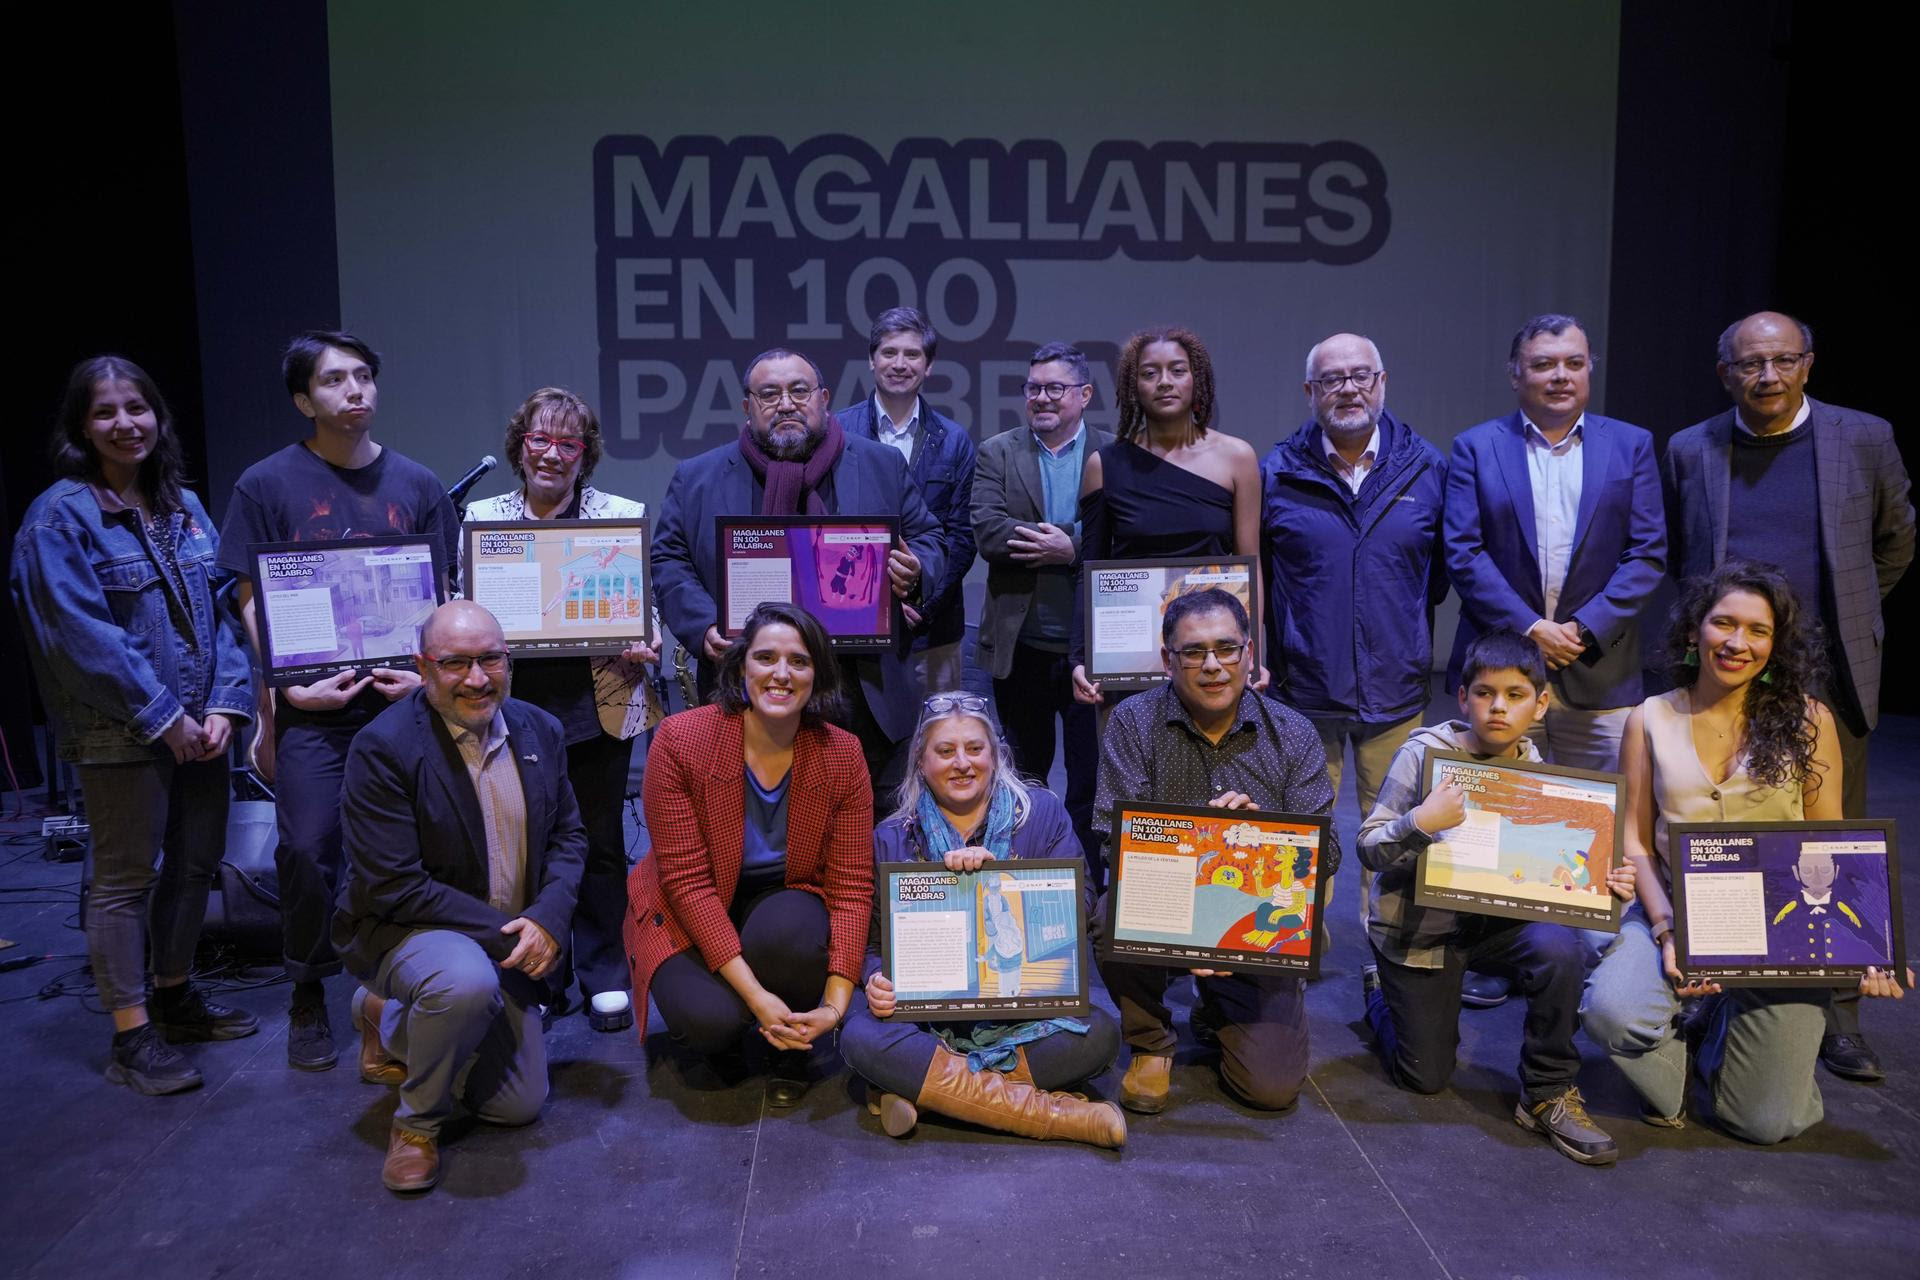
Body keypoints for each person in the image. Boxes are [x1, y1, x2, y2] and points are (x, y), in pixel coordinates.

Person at [1663, 310, 1914, 1081]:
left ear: (1808, 363)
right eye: (1749, 364)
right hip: (1726, 667)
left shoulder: (1862, 437)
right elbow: (1678, 552)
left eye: (1782, 360)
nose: (1766, 376)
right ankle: (1716, 982)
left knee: (1830, 840)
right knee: (1726, 830)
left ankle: (1838, 1013)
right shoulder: (1691, 448)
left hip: (1826, 673)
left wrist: (1843, 616)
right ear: (1725, 374)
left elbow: (1896, 537)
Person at [1579, 562, 1908, 1143]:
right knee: (1613, 1013)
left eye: (1758, 630)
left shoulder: (1809, 720)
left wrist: (1865, 947)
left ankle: (1718, 1025)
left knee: (1764, 1122)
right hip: (1674, 907)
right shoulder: (1649, 718)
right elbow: (1636, 840)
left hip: (1777, 928)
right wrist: (1667, 930)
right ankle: (1682, 1059)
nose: (1738, 642)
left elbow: (1828, 843)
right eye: (1724, 623)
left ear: (1775, 644)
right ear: (1694, 631)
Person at [11, 357, 258, 1094]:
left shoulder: (185, 508)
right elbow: (79, 639)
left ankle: (174, 995)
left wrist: (225, 706)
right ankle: (131, 1034)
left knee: (194, 866)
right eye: (105, 412)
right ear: (81, 428)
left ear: (157, 416)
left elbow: (224, 615)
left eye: (136, 408)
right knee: (124, 881)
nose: (125, 423)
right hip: (121, 733)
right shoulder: (58, 518)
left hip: (203, 730)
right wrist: (165, 717)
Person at [218, 330, 459, 1070]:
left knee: (416, 846)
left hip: (403, 705)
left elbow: (443, 593)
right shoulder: (265, 484)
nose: (354, 390)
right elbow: (250, 596)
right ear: (303, 400)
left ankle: (408, 982)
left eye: (363, 376)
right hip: (312, 706)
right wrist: (283, 687)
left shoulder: (417, 483)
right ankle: (307, 988)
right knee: (306, 849)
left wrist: (428, 678)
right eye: (333, 380)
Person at [1444, 313, 1665, 1007]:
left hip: (1603, 670)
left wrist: (1582, 628)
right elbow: (1463, 552)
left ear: (1588, 368)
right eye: (1543, 364)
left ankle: (1591, 954)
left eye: (1572, 362)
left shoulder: (1631, 445)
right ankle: (1496, 953)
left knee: (1599, 825)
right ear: (1517, 374)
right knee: (1499, 819)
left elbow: (1647, 553)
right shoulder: (1476, 447)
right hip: (1508, 672)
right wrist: (1534, 629)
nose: (1559, 375)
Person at [1357, 629, 1635, 1166]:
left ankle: (1548, 1091)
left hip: (1494, 926)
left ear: (1540, 704)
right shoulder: (1423, 755)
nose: (1499, 707)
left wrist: (1605, 885)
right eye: (1485, 693)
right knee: (1425, 1077)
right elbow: (1369, 848)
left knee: (1559, 946)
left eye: (1515, 695)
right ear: (1463, 698)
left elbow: (1556, 871)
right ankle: (1379, 995)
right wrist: (1420, 822)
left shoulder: (1537, 770)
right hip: (1421, 934)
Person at [334, 600, 585, 1192]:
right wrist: (513, 934)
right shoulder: (383, 747)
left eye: (490, 660)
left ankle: (386, 1017)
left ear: (508, 660)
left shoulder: (540, 730)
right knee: (465, 985)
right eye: (455, 663)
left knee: (517, 1106)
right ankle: (416, 1125)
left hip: (507, 939)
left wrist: (547, 919)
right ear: (423, 667)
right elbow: (395, 884)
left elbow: (569, 837)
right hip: (412, 930)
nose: (477, 678)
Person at [651, 348, 946, 801]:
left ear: (823, 399)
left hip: (866, 693)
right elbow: (670, 558)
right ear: (747, 406)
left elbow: (929, 537)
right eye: (769, 394)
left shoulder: (881, 464)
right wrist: (705, 624)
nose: (786, 404)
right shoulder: (697, 477)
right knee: (752, 826)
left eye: (799, 391)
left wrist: (916, 569)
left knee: (865, 830)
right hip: (747, 687)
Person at [840, 693, 1124, 1147]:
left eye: (975, 748)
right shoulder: (891, 837)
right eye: (945, 751)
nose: (962, 763)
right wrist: (876, 979)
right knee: (858, 1035)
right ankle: (1058, 1115)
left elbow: (1081, 904)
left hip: (1024, 1013)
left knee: (1101, 1035)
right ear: (921, 762)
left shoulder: (1042, 812)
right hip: (927, 1021)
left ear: (996, 754)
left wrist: (1002, 880)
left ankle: (922, 1090)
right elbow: (873, 947)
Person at [463, 387, 662, 1034]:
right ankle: (540, 972)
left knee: (600, 842)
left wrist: (648, 636)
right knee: (525, 843)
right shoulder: (481, 518)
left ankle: (606, 973)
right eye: (539, 440)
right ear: (520, 447)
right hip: (512, 709)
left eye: (567, 443)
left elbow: (644, 605)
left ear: (586, 453)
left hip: (598, 704)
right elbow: (465, 607)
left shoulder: (620, 514)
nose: (552, 454)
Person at [1093, 588, 1335, 1114]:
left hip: (1257, 915)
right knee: (1109, 913)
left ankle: (1221, 1009)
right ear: (1168, 661)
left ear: (1249, 653)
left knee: (1270, 1090)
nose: (1212, 665)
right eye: (1193, 652)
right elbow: (1115, 842)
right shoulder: (1132, 723)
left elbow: (1328, 852)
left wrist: (1265, 837)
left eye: (1226, 649)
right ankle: (1151, 1042)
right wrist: (1200, 847)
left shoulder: (1293, 733)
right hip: (1167, 900)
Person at [624, 603, 875, 1106]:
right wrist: (756, 998)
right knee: (711, 1024)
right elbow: (687, 883)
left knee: (793, 935)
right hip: (688, 905)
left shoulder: (842, 753)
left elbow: (851, 887)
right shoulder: (680, 740)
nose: (781, 673)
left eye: (799, 661)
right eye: (765, 658)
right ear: (741, 667)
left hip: (782, 900)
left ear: (817, 675)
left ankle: (790, 1044)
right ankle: (746, 1019)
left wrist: (833, 1009)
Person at [1260, 332, 1448, 942]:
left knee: (1394, 832)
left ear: (1382, 382)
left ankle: (1383, 955)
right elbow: (1262, 579)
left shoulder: (1427, 467)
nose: (1348, 388)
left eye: (1361, 375)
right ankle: (1295, 950)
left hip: (1396, 687)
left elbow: (1438, 578)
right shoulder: (1276, 472)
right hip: (1305, 692)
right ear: (1310, 391)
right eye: (1332, 379)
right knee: (1300, 834)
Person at [972, 342, 1113, 885]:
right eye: (1034, 388)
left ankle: (1090, 890)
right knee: (1024, 782)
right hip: (1023, 649)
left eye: (1056, 387)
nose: (1043, 398)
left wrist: (1071, 547)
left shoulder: (1112, 452)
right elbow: (988, 531)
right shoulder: (998, 451)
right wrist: (1073, 542)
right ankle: (1027, 888)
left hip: (1093, 652)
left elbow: (1121, 536)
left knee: (1091, 783)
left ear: (1085, 394)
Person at [1072, 327, 1264, 706]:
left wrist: (1254, 656)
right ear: (1133, 386)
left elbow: (1250, 565)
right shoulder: (1104, 466)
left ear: (1197, 379)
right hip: (1129, 660)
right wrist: (1080, 658)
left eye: (1177, 370)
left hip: (1215, 656)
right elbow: (1089, 570)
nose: (1164, 382)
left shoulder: (1237, 458)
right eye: (1150, 373)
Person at [834, 307, 977, 694]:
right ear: (871, 360)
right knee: (852, 728)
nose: (900, 364)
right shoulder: (837, 432)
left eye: (912, 354)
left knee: (937, 728)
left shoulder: (954, 440)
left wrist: (919, 604)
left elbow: (962, 538)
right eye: (889, 352)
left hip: (933, 628)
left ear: (928, 366)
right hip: (850, 625)